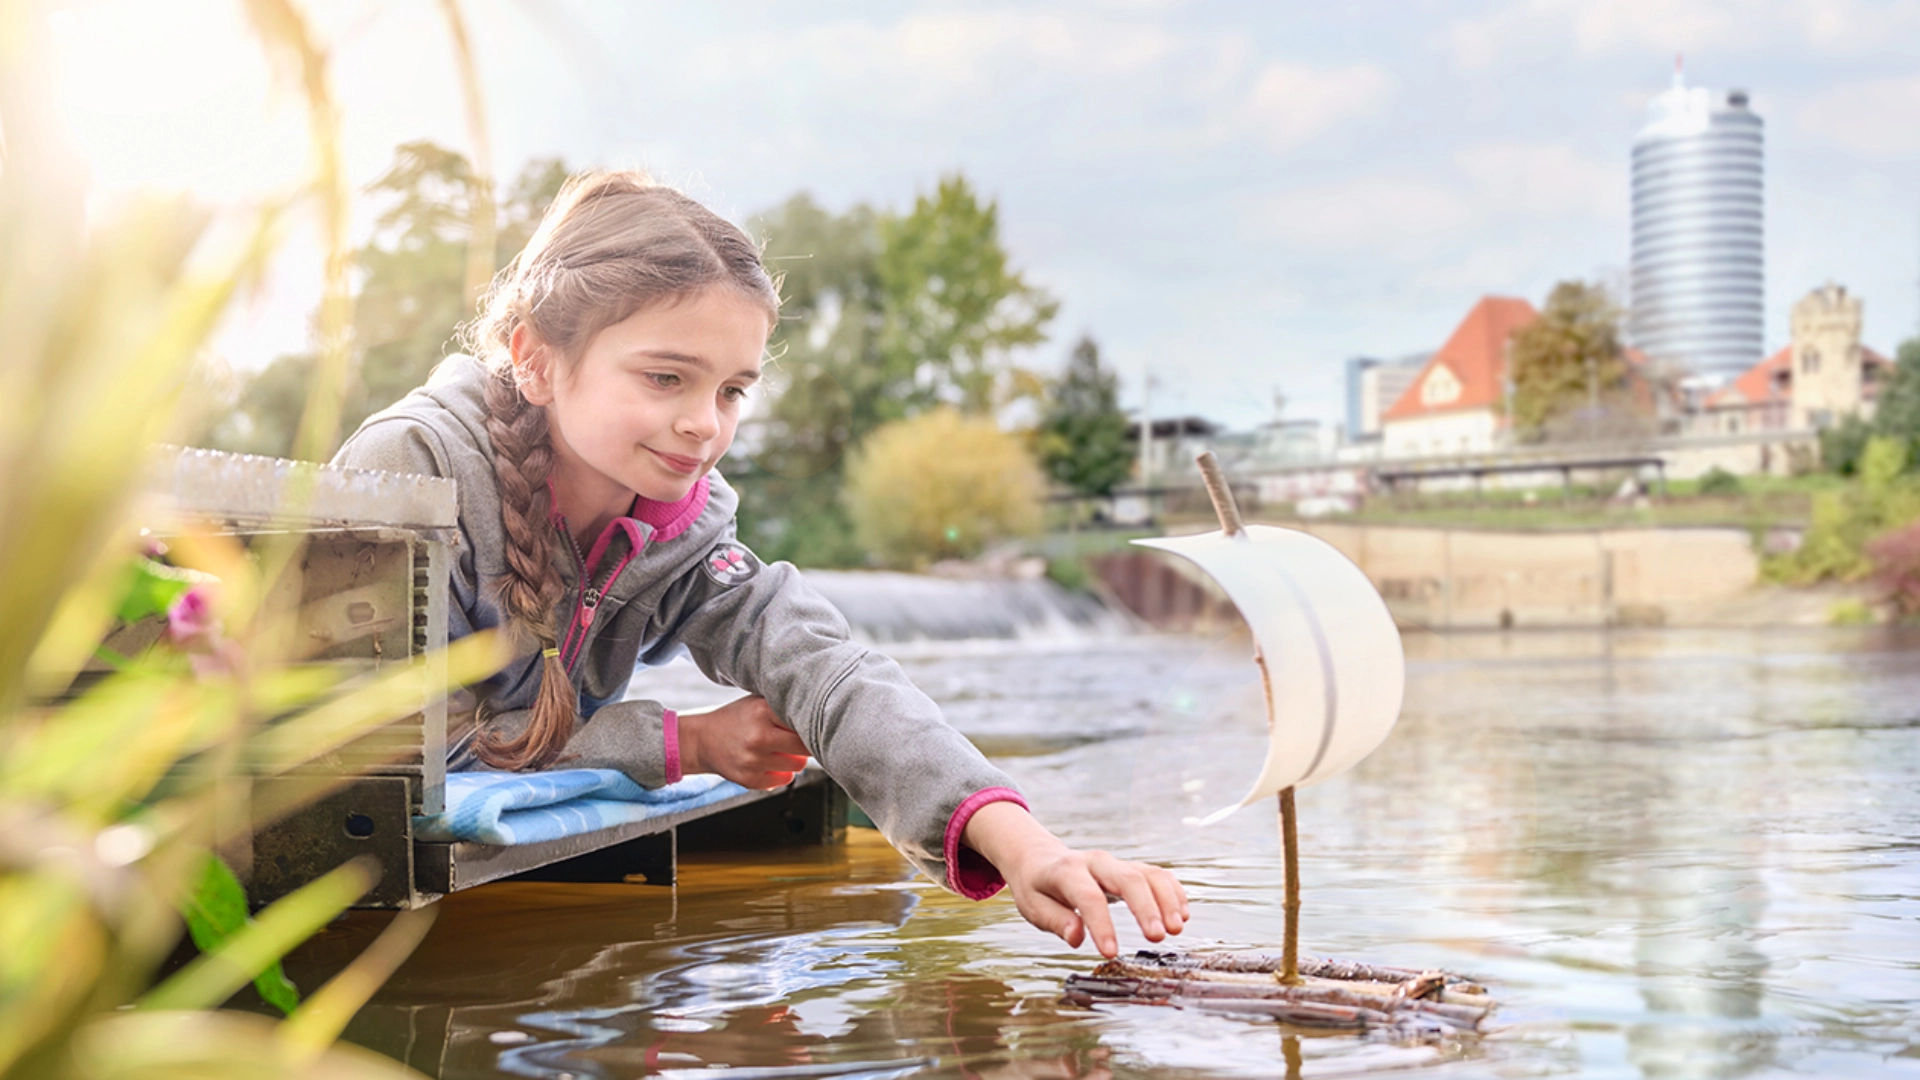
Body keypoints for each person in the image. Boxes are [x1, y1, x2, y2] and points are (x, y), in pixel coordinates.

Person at [333, 171, 1186, 958]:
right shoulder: (413, 466)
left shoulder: (684, 525)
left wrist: (1027, 846)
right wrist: (684, 742)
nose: (706, 424)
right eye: (667, 377)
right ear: (536, 360)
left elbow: (829, 672)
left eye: (731, 390)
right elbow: (405, 753)